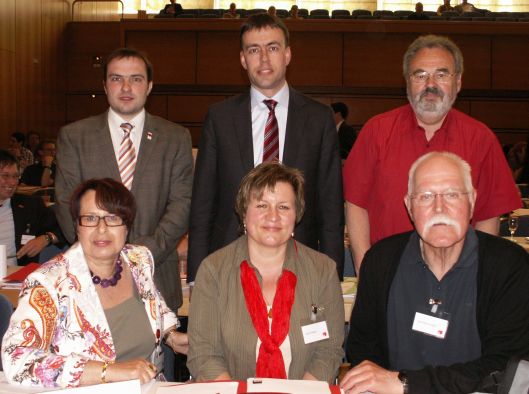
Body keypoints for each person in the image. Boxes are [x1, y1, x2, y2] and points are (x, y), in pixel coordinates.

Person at [55, 48, 193, 381]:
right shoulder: (75, 136)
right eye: (117, 79)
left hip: (156, 277)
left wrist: (138, 255)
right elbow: (65, 204)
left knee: (158, 378)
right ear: (105, 86)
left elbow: (182, 204)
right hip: (88, 283)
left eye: (136, 79)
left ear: (149, 86)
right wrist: (102, 255)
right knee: (93, 379)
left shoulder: (175, 137)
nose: (126, 87)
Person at [340, 152, 529, 394]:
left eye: (452, 194)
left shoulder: (509, 266)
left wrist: (406, 383)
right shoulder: (381, 261)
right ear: (409, 205)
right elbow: (363, 349)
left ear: (472, 201)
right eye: (426, 196)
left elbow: (506, 366)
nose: (439, 207)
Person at [342, 35, 520, 274]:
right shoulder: (376, 131)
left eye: (442, 74)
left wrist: (473, 275)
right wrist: (366, 270)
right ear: (407, 83)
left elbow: (488, 216)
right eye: (420, 75)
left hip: (457, 276)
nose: (430, 84)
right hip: (387, 272)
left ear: (458, 82)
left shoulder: (481, 138)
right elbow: (355, 204)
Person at [188, 14, 344, 285]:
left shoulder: (319, 119)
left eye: (272, 48)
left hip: (300, 263)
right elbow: (202, 204)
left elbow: (330, 207)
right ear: (242, 59)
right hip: (229, 264)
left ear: (287, 54)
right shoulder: (220, 118)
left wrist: (332, 276)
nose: (263, 58)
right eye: (253, 50)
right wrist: (196, 277)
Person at [1, 178, 188, 387]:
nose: (101, 228)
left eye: (113, 218)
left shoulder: (139, 259)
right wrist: (109, 372)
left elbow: (155, 306)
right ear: (77, 226)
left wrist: (171, 335)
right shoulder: (48, 283)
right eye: (90, 218)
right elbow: (16, 360)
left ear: (126, 226)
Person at [188, 162, 344, 382]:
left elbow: (329, 351)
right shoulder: (213, 270)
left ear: (297, 214)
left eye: (283, 207)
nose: (273, 216)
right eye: (262, 206)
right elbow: (204, 354)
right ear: (244, 212)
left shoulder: (323, 271)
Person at [0, 150, 63, 266]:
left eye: (15, 176)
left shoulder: (30, 205)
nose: (12, 182)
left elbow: (64, 229)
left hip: (14, 277)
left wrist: (47, 238)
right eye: (5, 176)